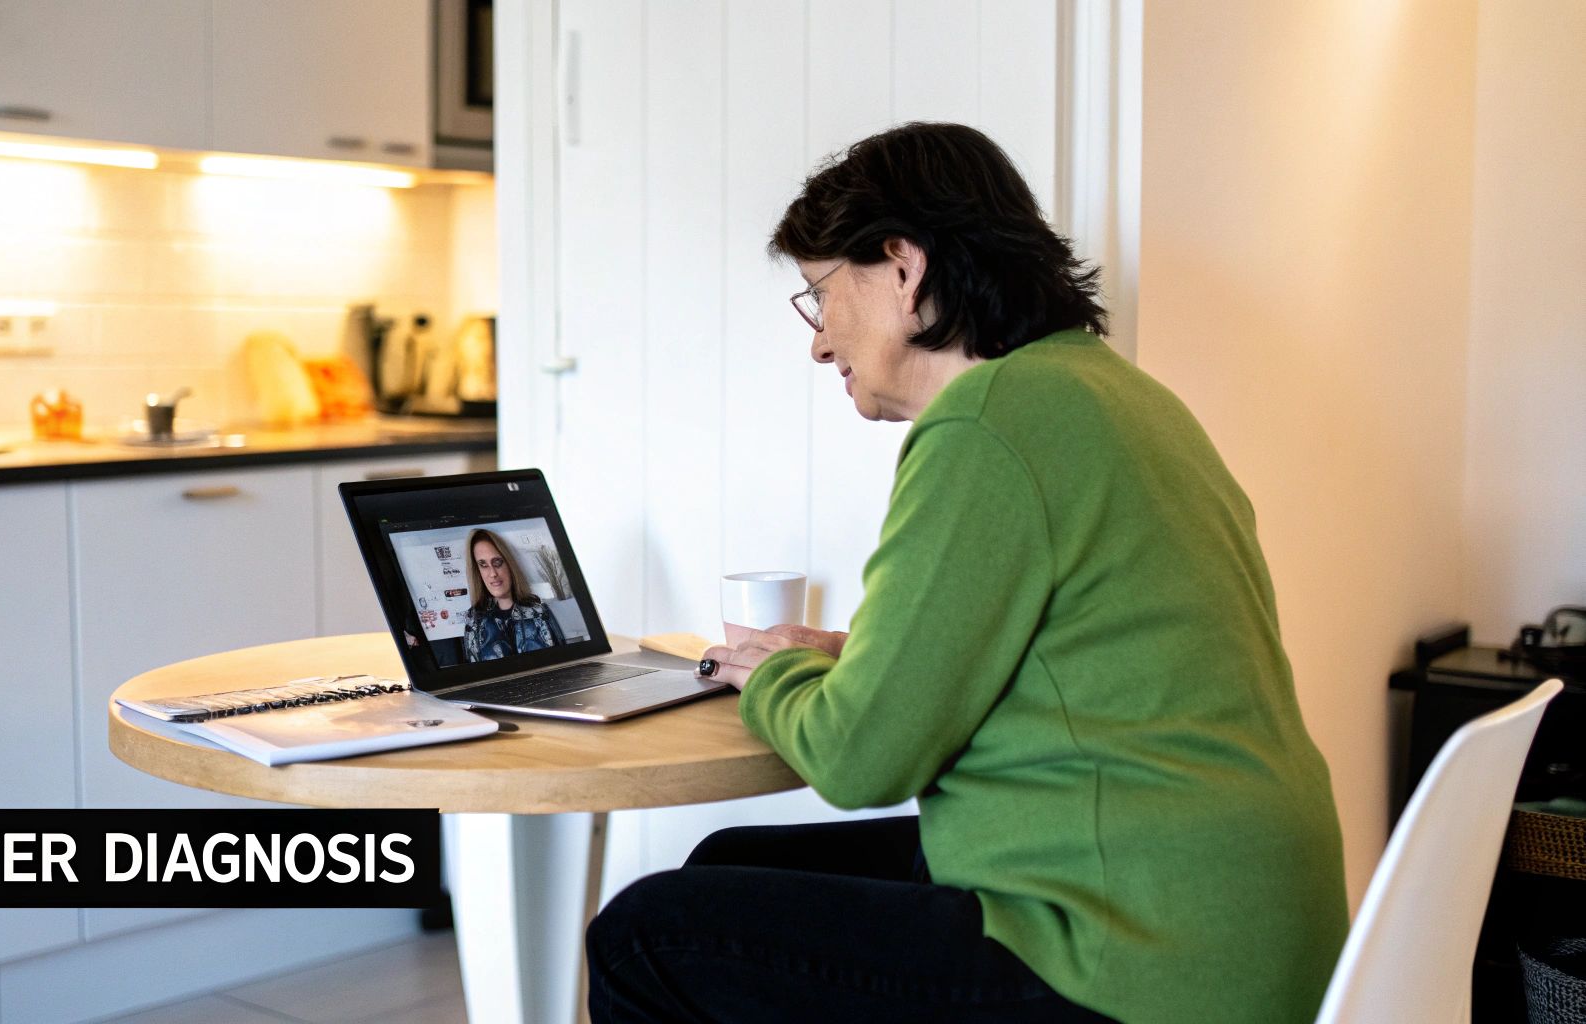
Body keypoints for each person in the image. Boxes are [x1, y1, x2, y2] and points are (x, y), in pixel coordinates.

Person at [584, 123, 1349, 1023]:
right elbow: (1062, 658)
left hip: (1131, 957)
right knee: (727, 865)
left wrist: (777, 672)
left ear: (903, 269)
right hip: (1227, 917)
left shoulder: (986, 423)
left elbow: (860, 759)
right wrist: (855, 660)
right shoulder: (1116, 395)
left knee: (645, 938)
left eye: (821, 296)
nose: (819, 344)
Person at [460, 528, 565, 662]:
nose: (493, 573)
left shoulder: (539, 612)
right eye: (483, 565)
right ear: (477, 570)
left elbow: (562, 661)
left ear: (509, 564)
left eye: (497, 562)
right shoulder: (474, 621)